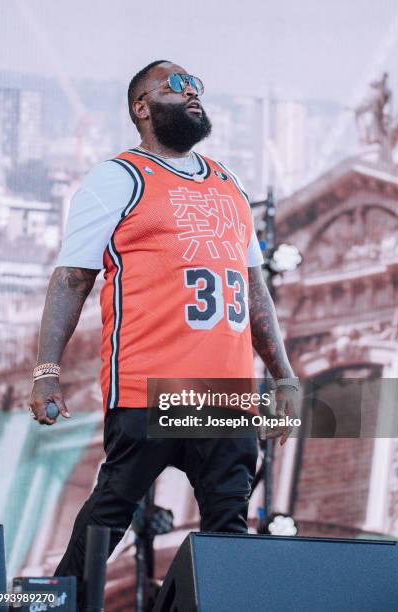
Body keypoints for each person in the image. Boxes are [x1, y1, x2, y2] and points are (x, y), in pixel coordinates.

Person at [29, 60, 299, 607]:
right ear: (142, 106)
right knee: (110, 514)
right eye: (176, 85)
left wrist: (284, 374)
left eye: (197, 85)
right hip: (149, 388)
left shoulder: (228, 183)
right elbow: (72, 278)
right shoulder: (120, 178)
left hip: (227, 392)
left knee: (230, 531)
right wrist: (46, 371)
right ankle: (45, 604)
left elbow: (252, 287)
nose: (192, 92)